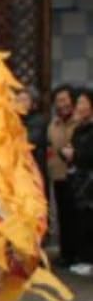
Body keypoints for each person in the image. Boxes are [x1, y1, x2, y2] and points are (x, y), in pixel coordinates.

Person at [58, 88, 93, 276]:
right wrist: (66, 153)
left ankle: (89, 259)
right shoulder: (79, 128)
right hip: (79, 180)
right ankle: (83, 257)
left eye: (82, 103)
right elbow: (71, 149)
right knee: (81, 220)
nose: (78, 107)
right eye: (78, 102)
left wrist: (75, 154)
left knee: (89, 220)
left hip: (89, 180)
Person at [46, 85, 78, 265]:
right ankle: (65, 253)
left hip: (78, 177)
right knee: (63, 217)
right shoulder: (53, 124)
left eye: (65, 99)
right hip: (58, 176)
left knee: (78, 217)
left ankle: (79, 255)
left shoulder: (79, 121)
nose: (62, 104)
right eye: (58, 101)